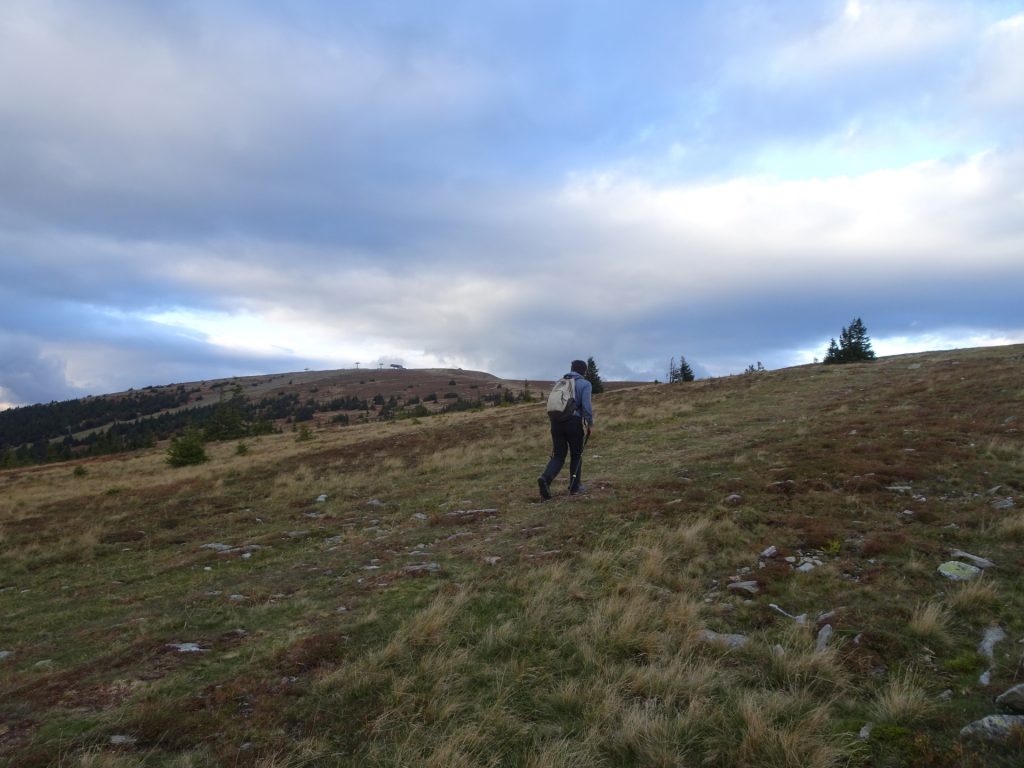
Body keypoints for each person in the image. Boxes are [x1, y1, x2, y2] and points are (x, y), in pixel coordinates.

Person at [538, 359, 594, 499]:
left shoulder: (560, 382)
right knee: (576, 454)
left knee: (558, 455)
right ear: (584, 371)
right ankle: (575, 487)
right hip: (573, 422)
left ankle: (545, 479)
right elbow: (586, 406)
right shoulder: (584, 384)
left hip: (556, 423)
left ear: (572, 368)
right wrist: (590, 424)